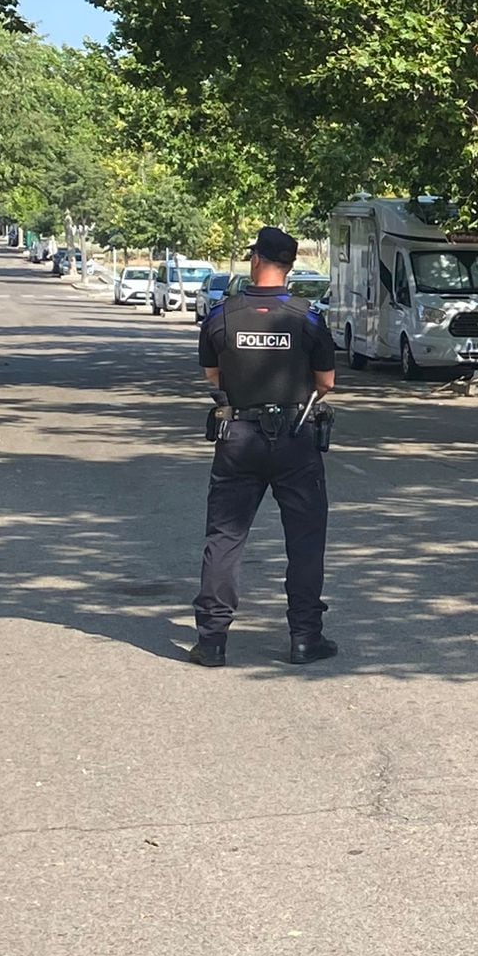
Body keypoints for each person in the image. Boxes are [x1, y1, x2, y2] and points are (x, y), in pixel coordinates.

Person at [189, 226, 337, 667]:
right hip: (295, 437)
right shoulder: (307, 316)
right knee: (305, 540)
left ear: (256, 260)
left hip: (239, 437)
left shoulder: (223, 314)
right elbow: (326, 382)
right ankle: (306, 637)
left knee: (225, 537)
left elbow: (212, 375)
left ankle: (212, 641)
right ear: (289, 266)